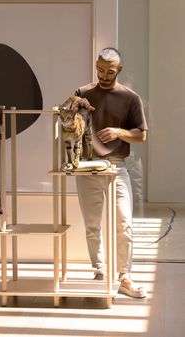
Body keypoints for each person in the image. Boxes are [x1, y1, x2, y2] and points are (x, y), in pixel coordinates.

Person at [64, 47, 148, 298]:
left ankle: (124, 276)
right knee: (92, 224)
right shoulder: (83, 92)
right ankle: (100, 270)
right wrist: (72, 105)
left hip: (116, 166)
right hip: (87, 166)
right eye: (100, 69)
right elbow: (66, 121)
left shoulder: (130, 97)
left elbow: (141, 135)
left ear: (118, 70)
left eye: (109, 71)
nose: (103, 75)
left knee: (124, 223)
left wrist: (119, 132)